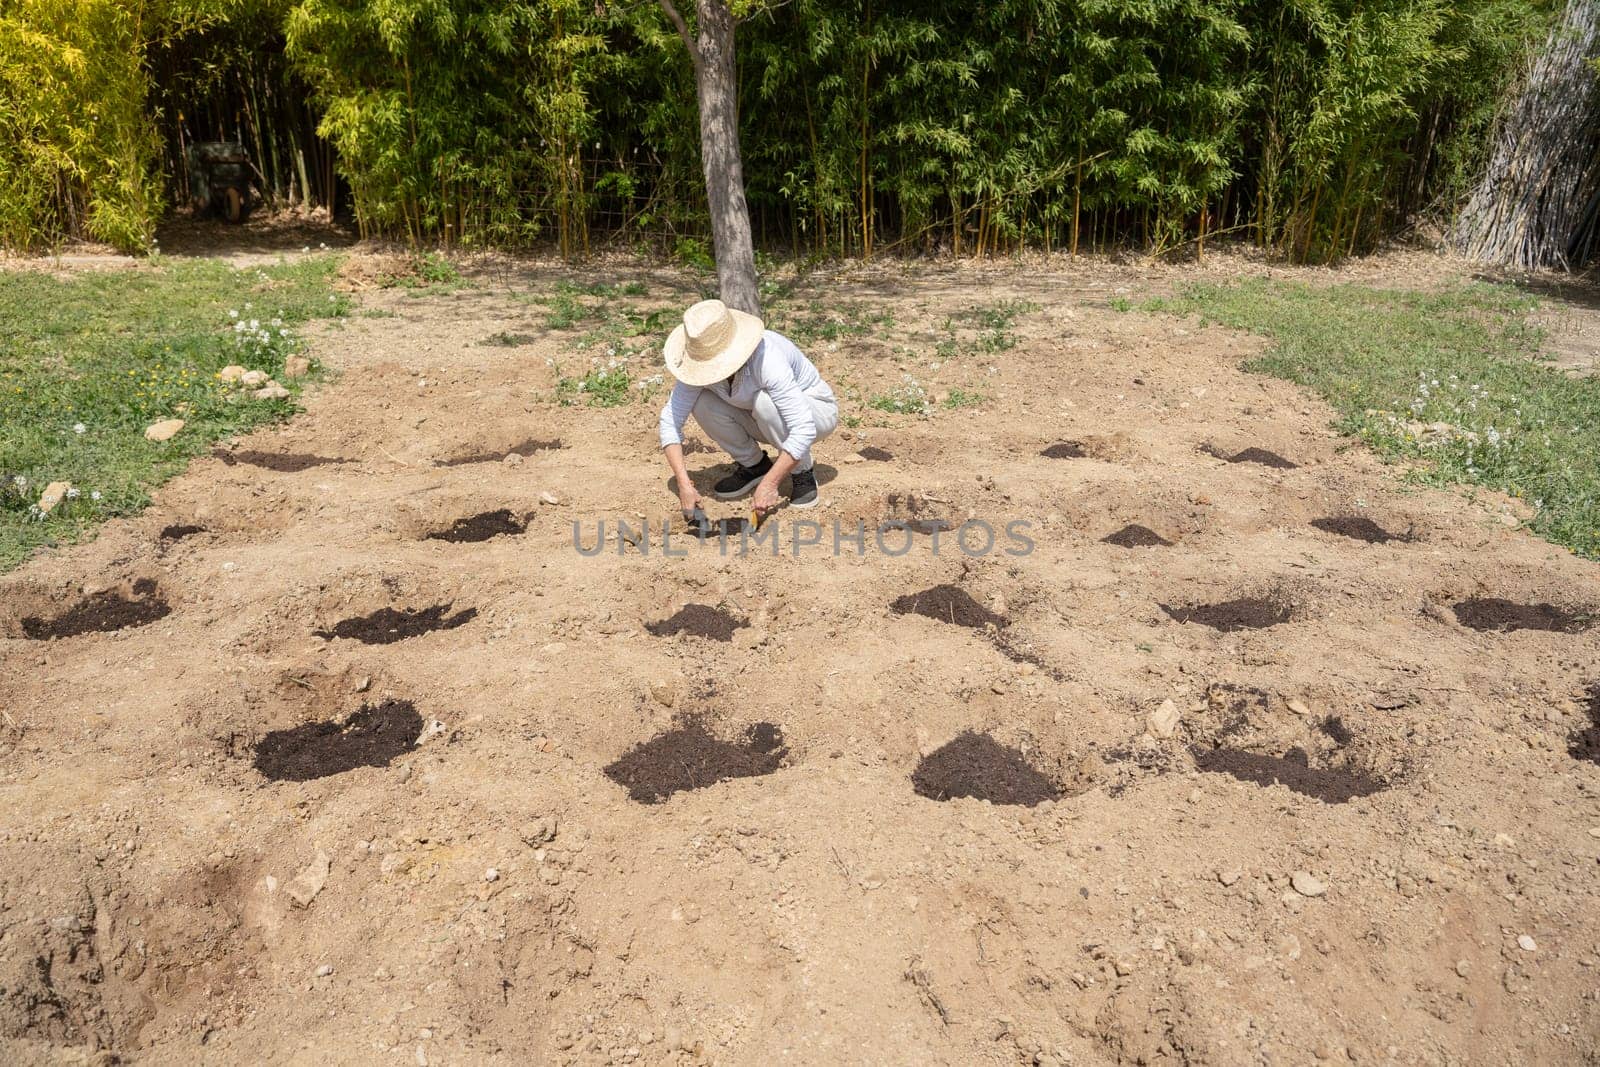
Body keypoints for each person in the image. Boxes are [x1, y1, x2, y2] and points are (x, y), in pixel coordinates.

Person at [658, 299, 839, 519]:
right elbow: (670, 420)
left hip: (816, 412)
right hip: (759, 416)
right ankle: (755, 465)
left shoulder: (767, 358)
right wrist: (684, 485)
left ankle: (802, 472)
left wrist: (770, 484)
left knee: (765, 401)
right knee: (701, 401)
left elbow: (803, 427)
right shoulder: (695, 365)